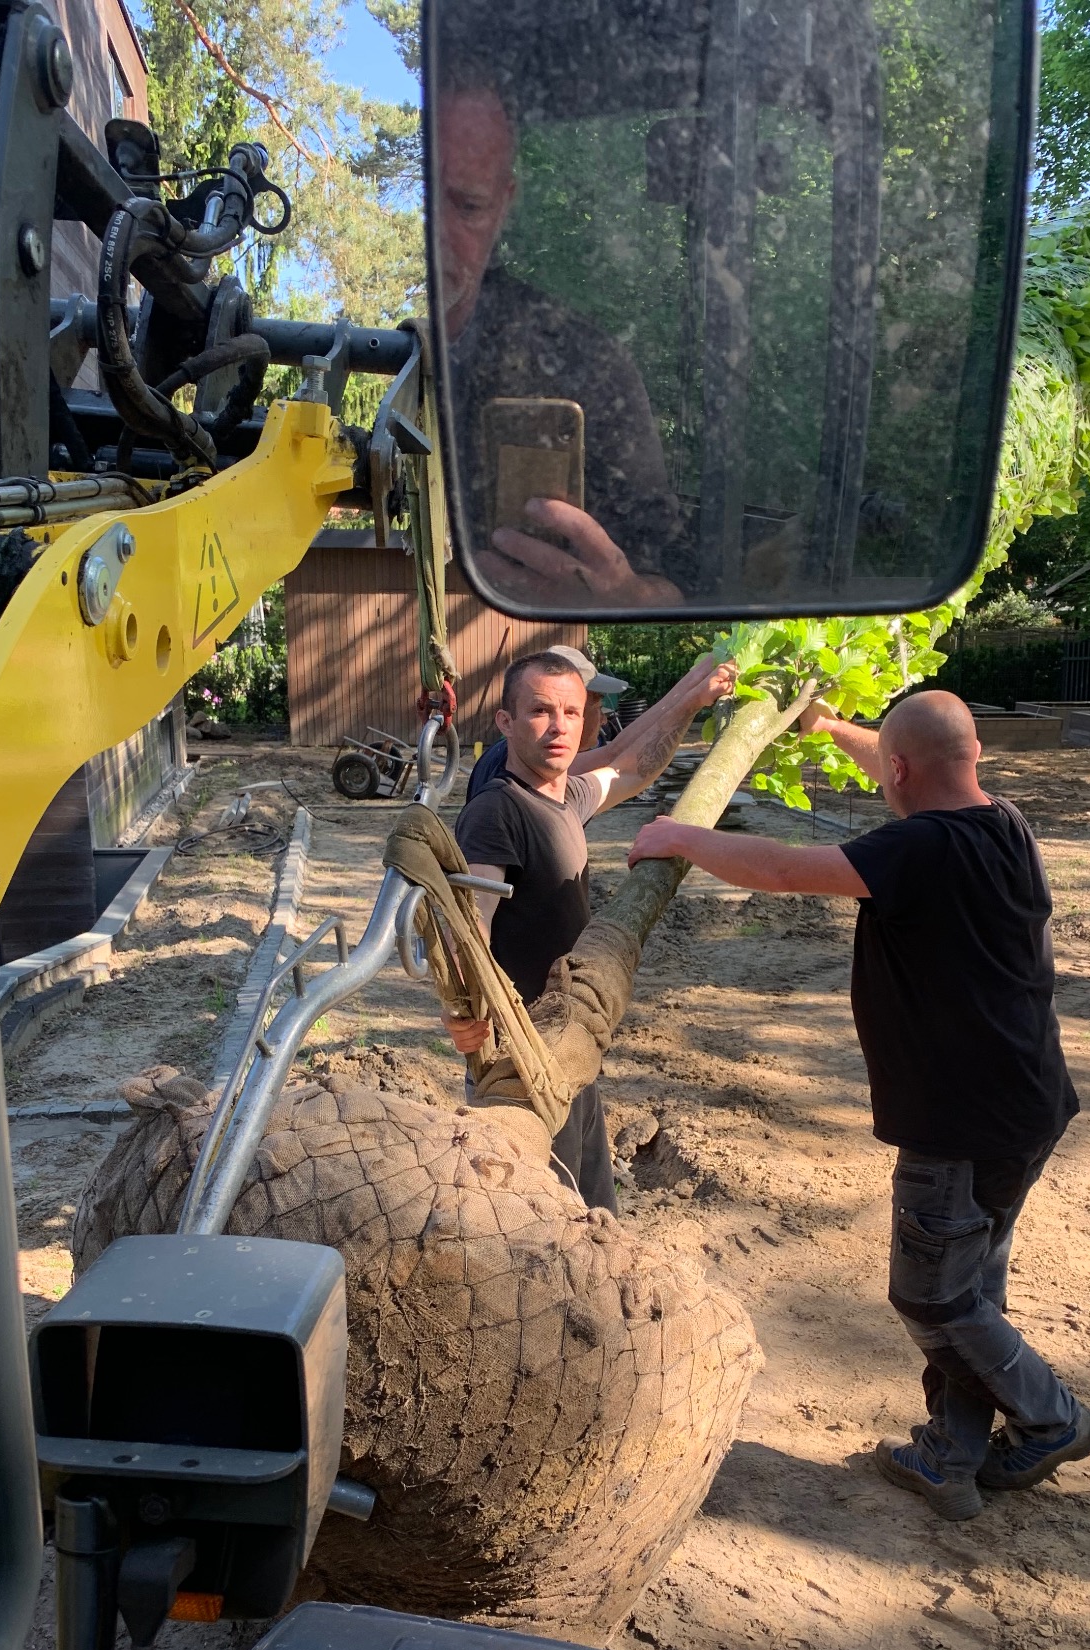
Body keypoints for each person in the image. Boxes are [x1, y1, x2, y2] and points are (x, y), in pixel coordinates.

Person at [627, 689, 1090, 1522]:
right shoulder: (1005, 822)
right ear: (975, 755)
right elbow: (910, 755)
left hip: (958, 1122)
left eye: (882, 761)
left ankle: (1054, 1417)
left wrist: (678, 838)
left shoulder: (916, 848)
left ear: (898, 771)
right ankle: (949, 1456)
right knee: (968, 1289)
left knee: (932, 1297)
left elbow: (779, 869)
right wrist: (828, 727)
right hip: (1025, 1105)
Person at [446, 645, 735, 1209]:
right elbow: (470, 928)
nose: (560, 727)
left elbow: (633, 765)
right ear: (506, 722)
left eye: (572, 713)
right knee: (536, 1221)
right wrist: (464, 1010)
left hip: (571, 1043)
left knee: (590, 1207)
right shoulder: (497, 812)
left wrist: (695, 698)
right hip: (521, 1066)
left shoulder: (564, 797)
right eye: (540, 711)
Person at [436, 83, 683, 607]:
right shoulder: (357, 357)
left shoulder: (585, 365)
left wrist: (623, 595)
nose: (435, 232)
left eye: (467, 205)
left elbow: (678, 583)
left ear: (505, 204)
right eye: (420, 201)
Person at [463, 643, 624, 802]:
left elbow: (620, 759)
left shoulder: (510, 755)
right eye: (541, 710)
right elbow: (617, 758)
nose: (603, 719)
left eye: (570, 712)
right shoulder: (531, 773)